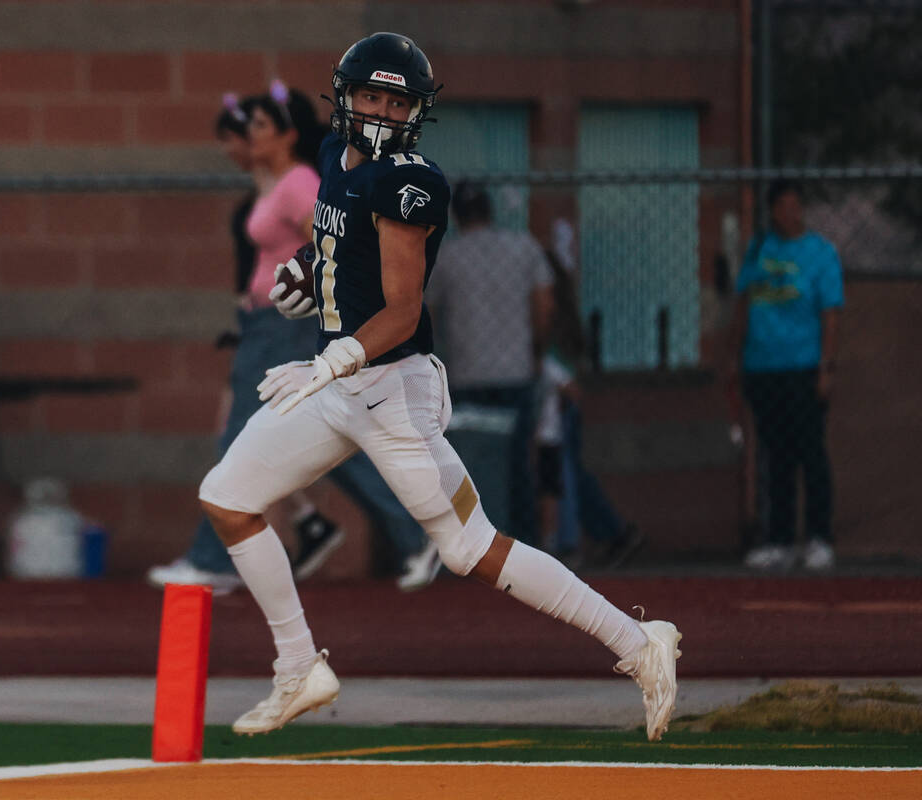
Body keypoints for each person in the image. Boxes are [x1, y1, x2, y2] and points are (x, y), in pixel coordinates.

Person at [197, 32, 681, 742]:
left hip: (391, 389)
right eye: (373, 97)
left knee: (469, 550)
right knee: (228, 499)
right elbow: (336, 244)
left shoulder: (410, 182)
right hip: (340, 383)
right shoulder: (334, 157)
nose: (385, 113)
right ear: (346, 96)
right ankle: (299, 667)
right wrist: (307, 273)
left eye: (399, 102)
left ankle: (641, 645)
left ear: (416, 111)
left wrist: (332, 358)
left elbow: (402, 310)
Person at [147, 85, 437, 593]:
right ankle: (417, 534)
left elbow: (332, 243)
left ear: (289, 133)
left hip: (288, 326)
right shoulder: (279, 182)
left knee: (240, 432)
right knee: (333, 439)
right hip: (264, 324)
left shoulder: (299, 181)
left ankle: (213, 560)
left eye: (260, 125)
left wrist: (301, 288)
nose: (247, 134)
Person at [426, 181, 553, 545]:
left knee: (469, 464)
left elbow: (429, 315)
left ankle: (477, 542)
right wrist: (537, 351)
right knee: (518, 463)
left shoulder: (447, 257)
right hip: (515, 371)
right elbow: (545, 305)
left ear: (457, 217)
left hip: (467, 372)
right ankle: (526, 544)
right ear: (490, 210)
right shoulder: (523, 247)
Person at [730, 179, 843, 572]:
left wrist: (825, 367)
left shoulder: (820, 254)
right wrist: (737, 358)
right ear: (773, 211)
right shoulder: (760, 250)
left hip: (803, 368)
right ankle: (778, 539)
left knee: (809, 453)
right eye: (782, 206)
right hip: (763, 368)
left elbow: (831, 313)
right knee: (774, 455)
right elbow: (742, 303)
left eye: (795, 205)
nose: (789, 213)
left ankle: (819, 538)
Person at [536, 256, 644, 568]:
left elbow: (549, 363)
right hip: (562, 403)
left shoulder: (547, 315)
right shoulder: (564, 313)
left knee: (561, 474)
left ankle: (575, 541)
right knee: (570, 473)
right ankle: (614, 533)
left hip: (557, 402)